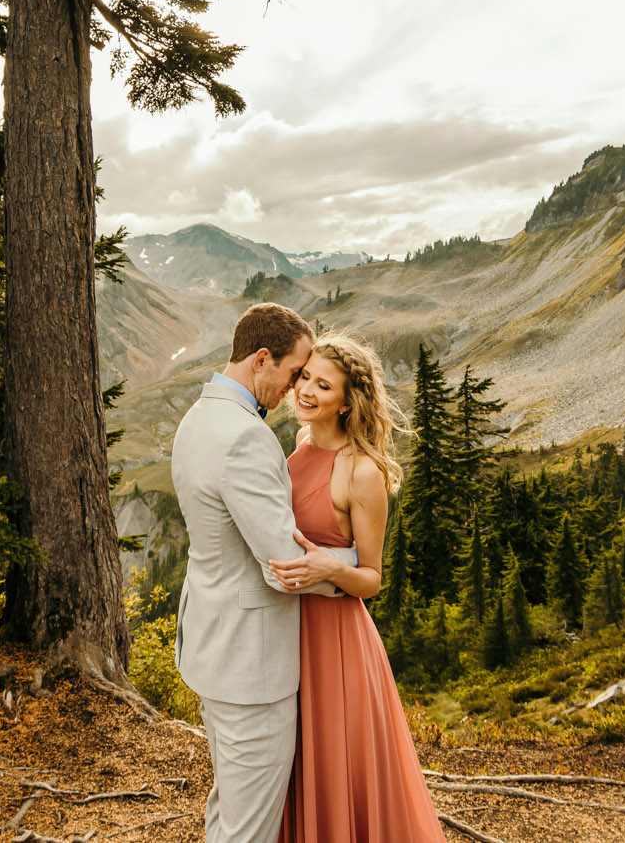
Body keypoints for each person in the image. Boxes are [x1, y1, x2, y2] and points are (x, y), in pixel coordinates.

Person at [170, 303, 349, 843]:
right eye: (295, 373)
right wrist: (356, 564)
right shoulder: (247, 437)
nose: (296, 390)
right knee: (249, 830)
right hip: (251, 666)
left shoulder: (199, 416)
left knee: (228, 808)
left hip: (212, 646)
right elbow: (283, 569)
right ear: (262, 360)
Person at [270, 334, 447, 843]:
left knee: (336, 762)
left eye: (323, 385)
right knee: (294, 762)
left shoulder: (362, 472)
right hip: (288, 632)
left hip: (339, 645)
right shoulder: (300, 449)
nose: (306, 390)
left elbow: (371, 578)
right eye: (305, 377)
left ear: (347, 402)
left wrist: (328, 569)